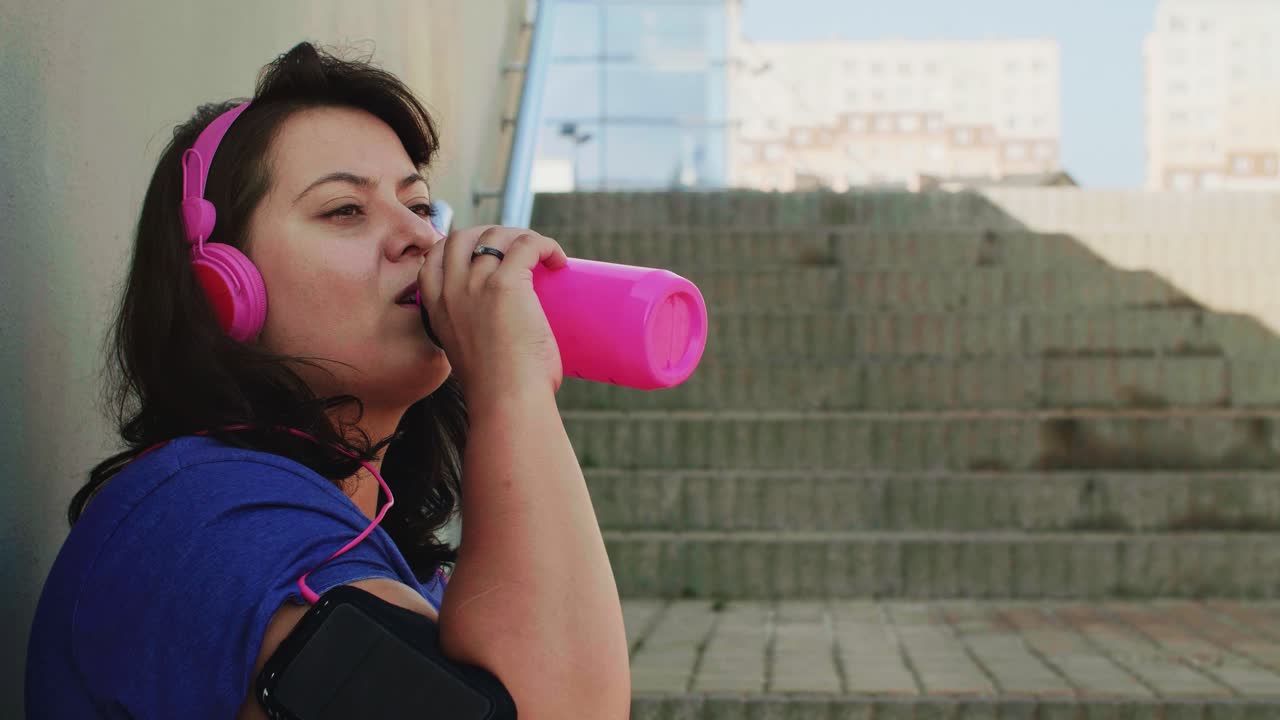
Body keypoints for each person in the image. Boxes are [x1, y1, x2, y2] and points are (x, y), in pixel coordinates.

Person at [24, 41, 631, 719]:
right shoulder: (209, 515)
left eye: (422, 207)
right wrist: (513, 388)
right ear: (226, 286)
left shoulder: (341, 528)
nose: (421, 239)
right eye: (345, 210)